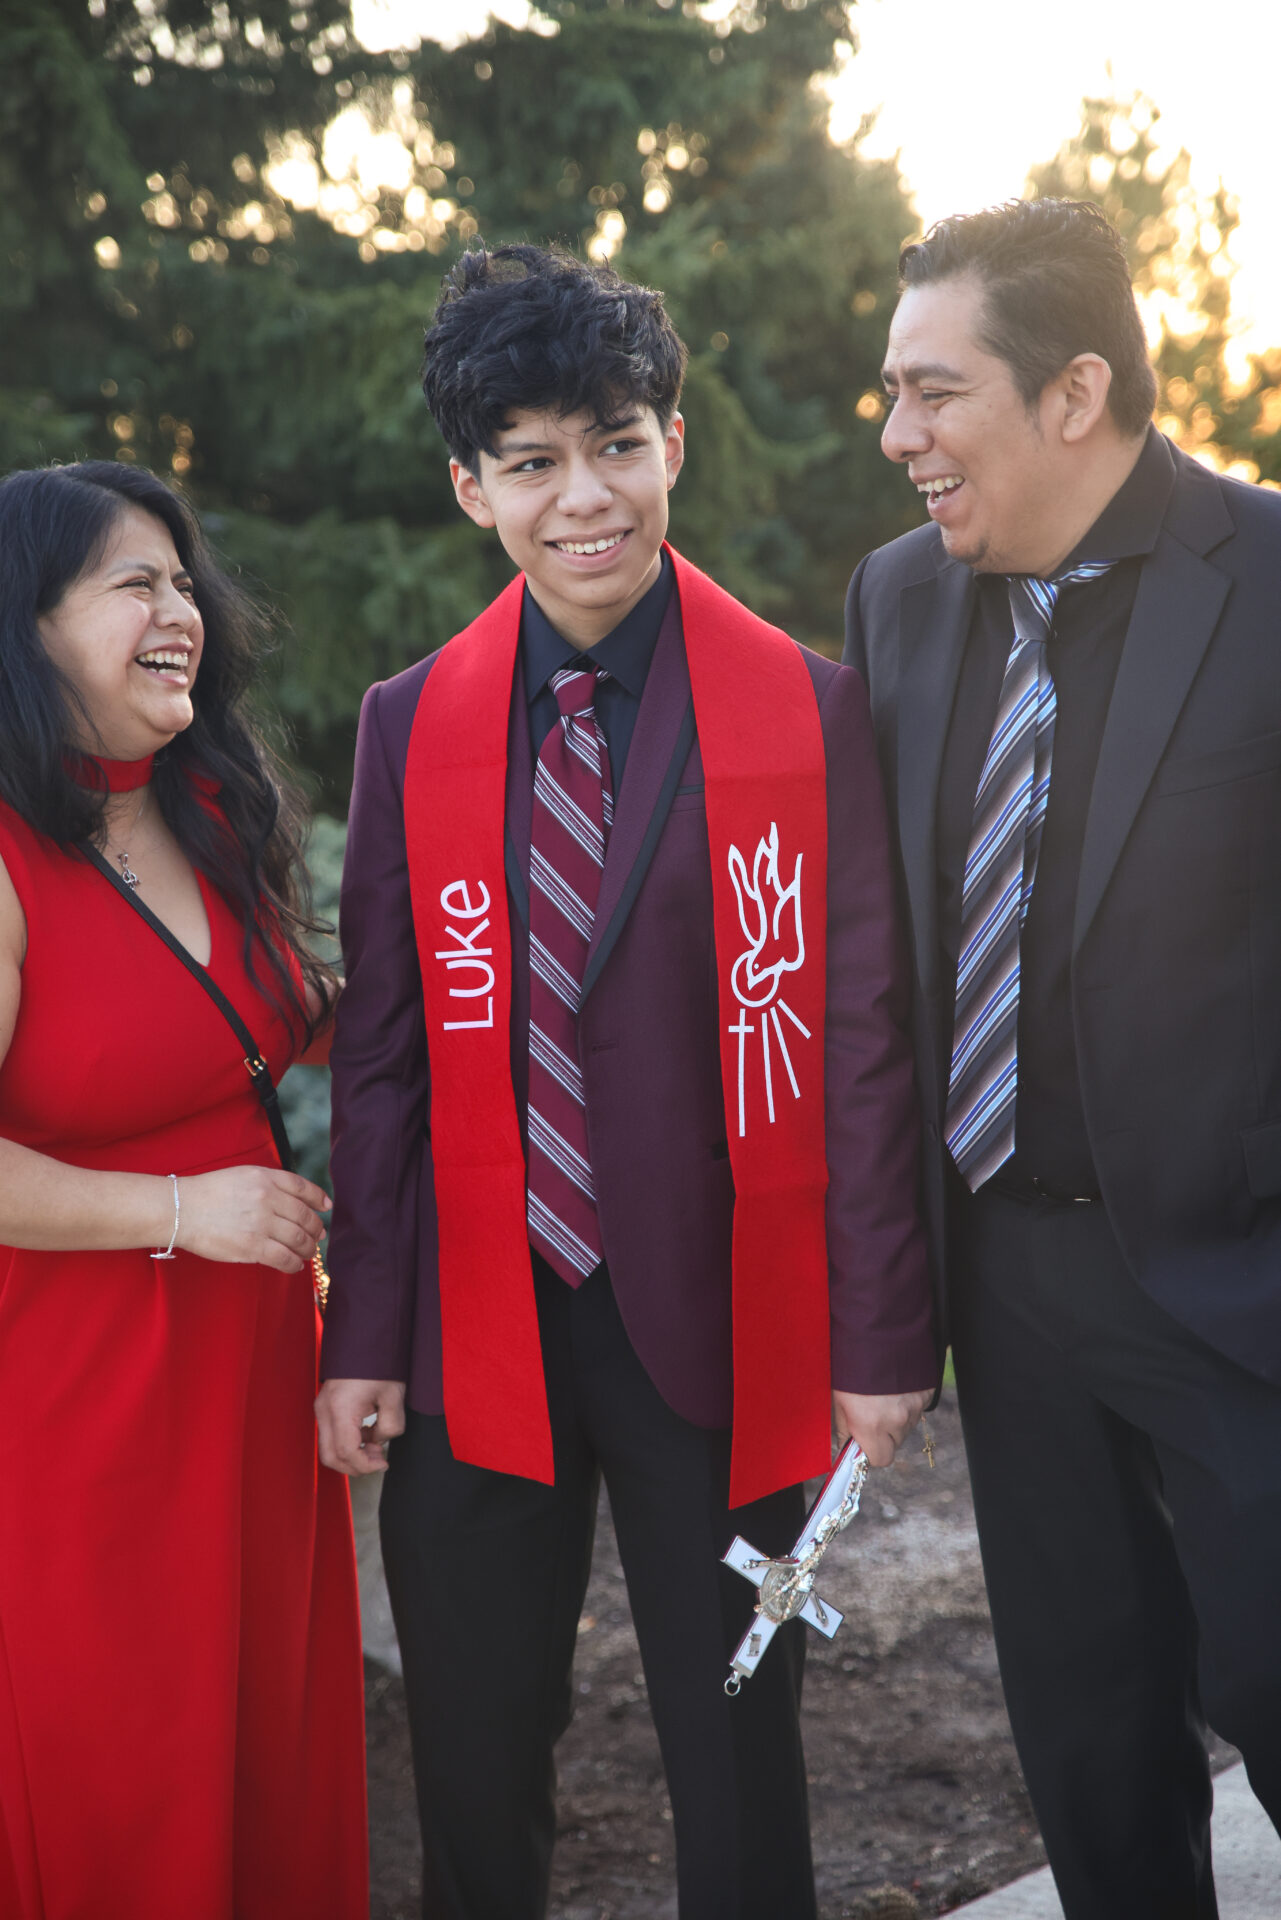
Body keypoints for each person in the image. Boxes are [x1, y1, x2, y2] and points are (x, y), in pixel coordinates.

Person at [317, 241, 938, 1920]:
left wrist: (879, 1334)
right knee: (470, 1749)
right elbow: (379, 1058)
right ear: (473, 490)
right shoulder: (407, 726)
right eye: (530, 462)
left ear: (674, 443)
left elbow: (859, 1038)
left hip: (719, 1317)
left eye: (614, 443)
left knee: (737, 1744)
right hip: (474, 1324)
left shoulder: (805, 712)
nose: (581, 497)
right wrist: (361, 1331)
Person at [843, 195, 1281, 1919]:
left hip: (1242, 1284)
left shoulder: (1270, 581)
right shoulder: (897, 600)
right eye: (890, 391)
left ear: (1075, 392)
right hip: (1007, 1293)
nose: (897, 436)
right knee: (1090, 1751)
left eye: (933, 392)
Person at [0, 461, 368, 1919]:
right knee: (124, 1768)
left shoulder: (207, 802)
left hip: (251, 1381)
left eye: (182, 581)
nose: (181, 611)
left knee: (266, 1752)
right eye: (130, 584)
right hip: (79, 1402)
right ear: (28, 627)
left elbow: (264, 1019)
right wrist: (180, 1212)